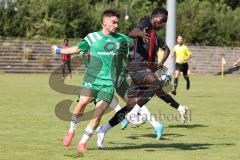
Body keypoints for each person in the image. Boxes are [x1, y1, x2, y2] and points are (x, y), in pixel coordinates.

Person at [96, 8, 184, 149]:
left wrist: (160, 63)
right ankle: (136, 112)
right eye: (162, 20)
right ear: (154, 17)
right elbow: (132, 33)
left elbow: (167, 49)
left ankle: (103, 130)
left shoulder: (155, 34)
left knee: (129, 105)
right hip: (136, 68)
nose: (163, 24)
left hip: (145, 69)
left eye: (165, 22)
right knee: (156, 84)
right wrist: (141, 33)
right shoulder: (146, 23)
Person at [51, 9, 133, 153]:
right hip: (92, 78)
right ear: (104, 22)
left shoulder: (121, 39)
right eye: (113, 22)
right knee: (82, 103)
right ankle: (71, 131)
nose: (116, 25)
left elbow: (137, 44)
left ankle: (82, 143)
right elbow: (76, 49)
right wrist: (58, 51)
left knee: (98, 112)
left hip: (108, 82)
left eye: (117, 23)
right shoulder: (92, 37)